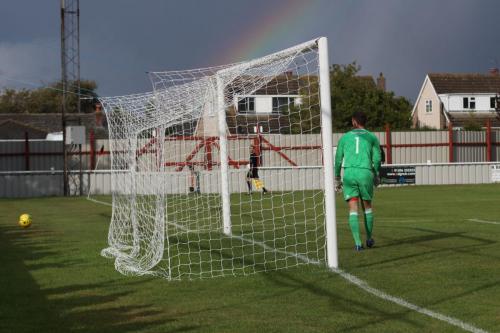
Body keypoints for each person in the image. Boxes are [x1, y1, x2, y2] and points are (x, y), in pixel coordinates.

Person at [334, 110, 381, 251]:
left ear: (354, 121)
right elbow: (377, 159)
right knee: (367, 206)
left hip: (349, 173)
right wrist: (377, 174)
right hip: (365, 172)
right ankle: (369, 238)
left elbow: (338, 159)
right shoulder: (372, 137)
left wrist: (337, 176)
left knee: (353, 208)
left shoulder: (344, 138)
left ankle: (357, 243)